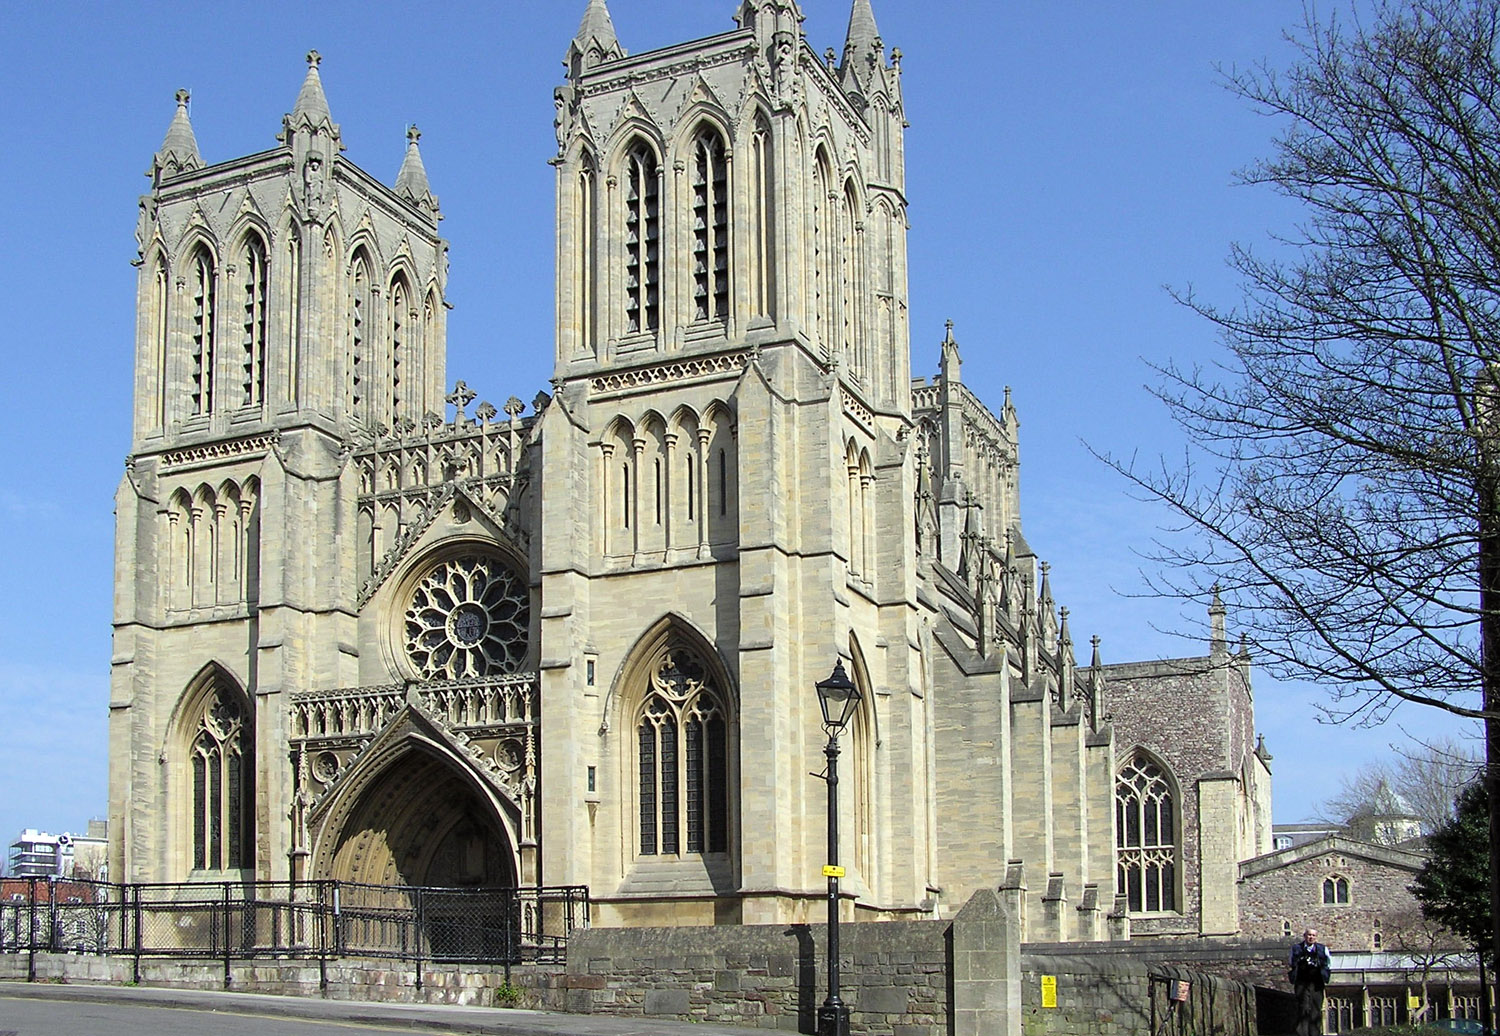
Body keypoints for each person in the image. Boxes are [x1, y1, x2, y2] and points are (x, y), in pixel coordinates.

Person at [1288, 928, 1332, 1036]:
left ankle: (1315, 1034)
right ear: (1305, 936)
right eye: (1309, 935)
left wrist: (1324, 974)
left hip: (1316, 983)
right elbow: (1291, 962)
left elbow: (1328, 964)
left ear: (1316, 937)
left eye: (1313, 935)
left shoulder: (1322, 949)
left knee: (1316, 1010)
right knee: (1303, 1009)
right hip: (1301, 983)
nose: (1311, 937)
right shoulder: (1296, 949)